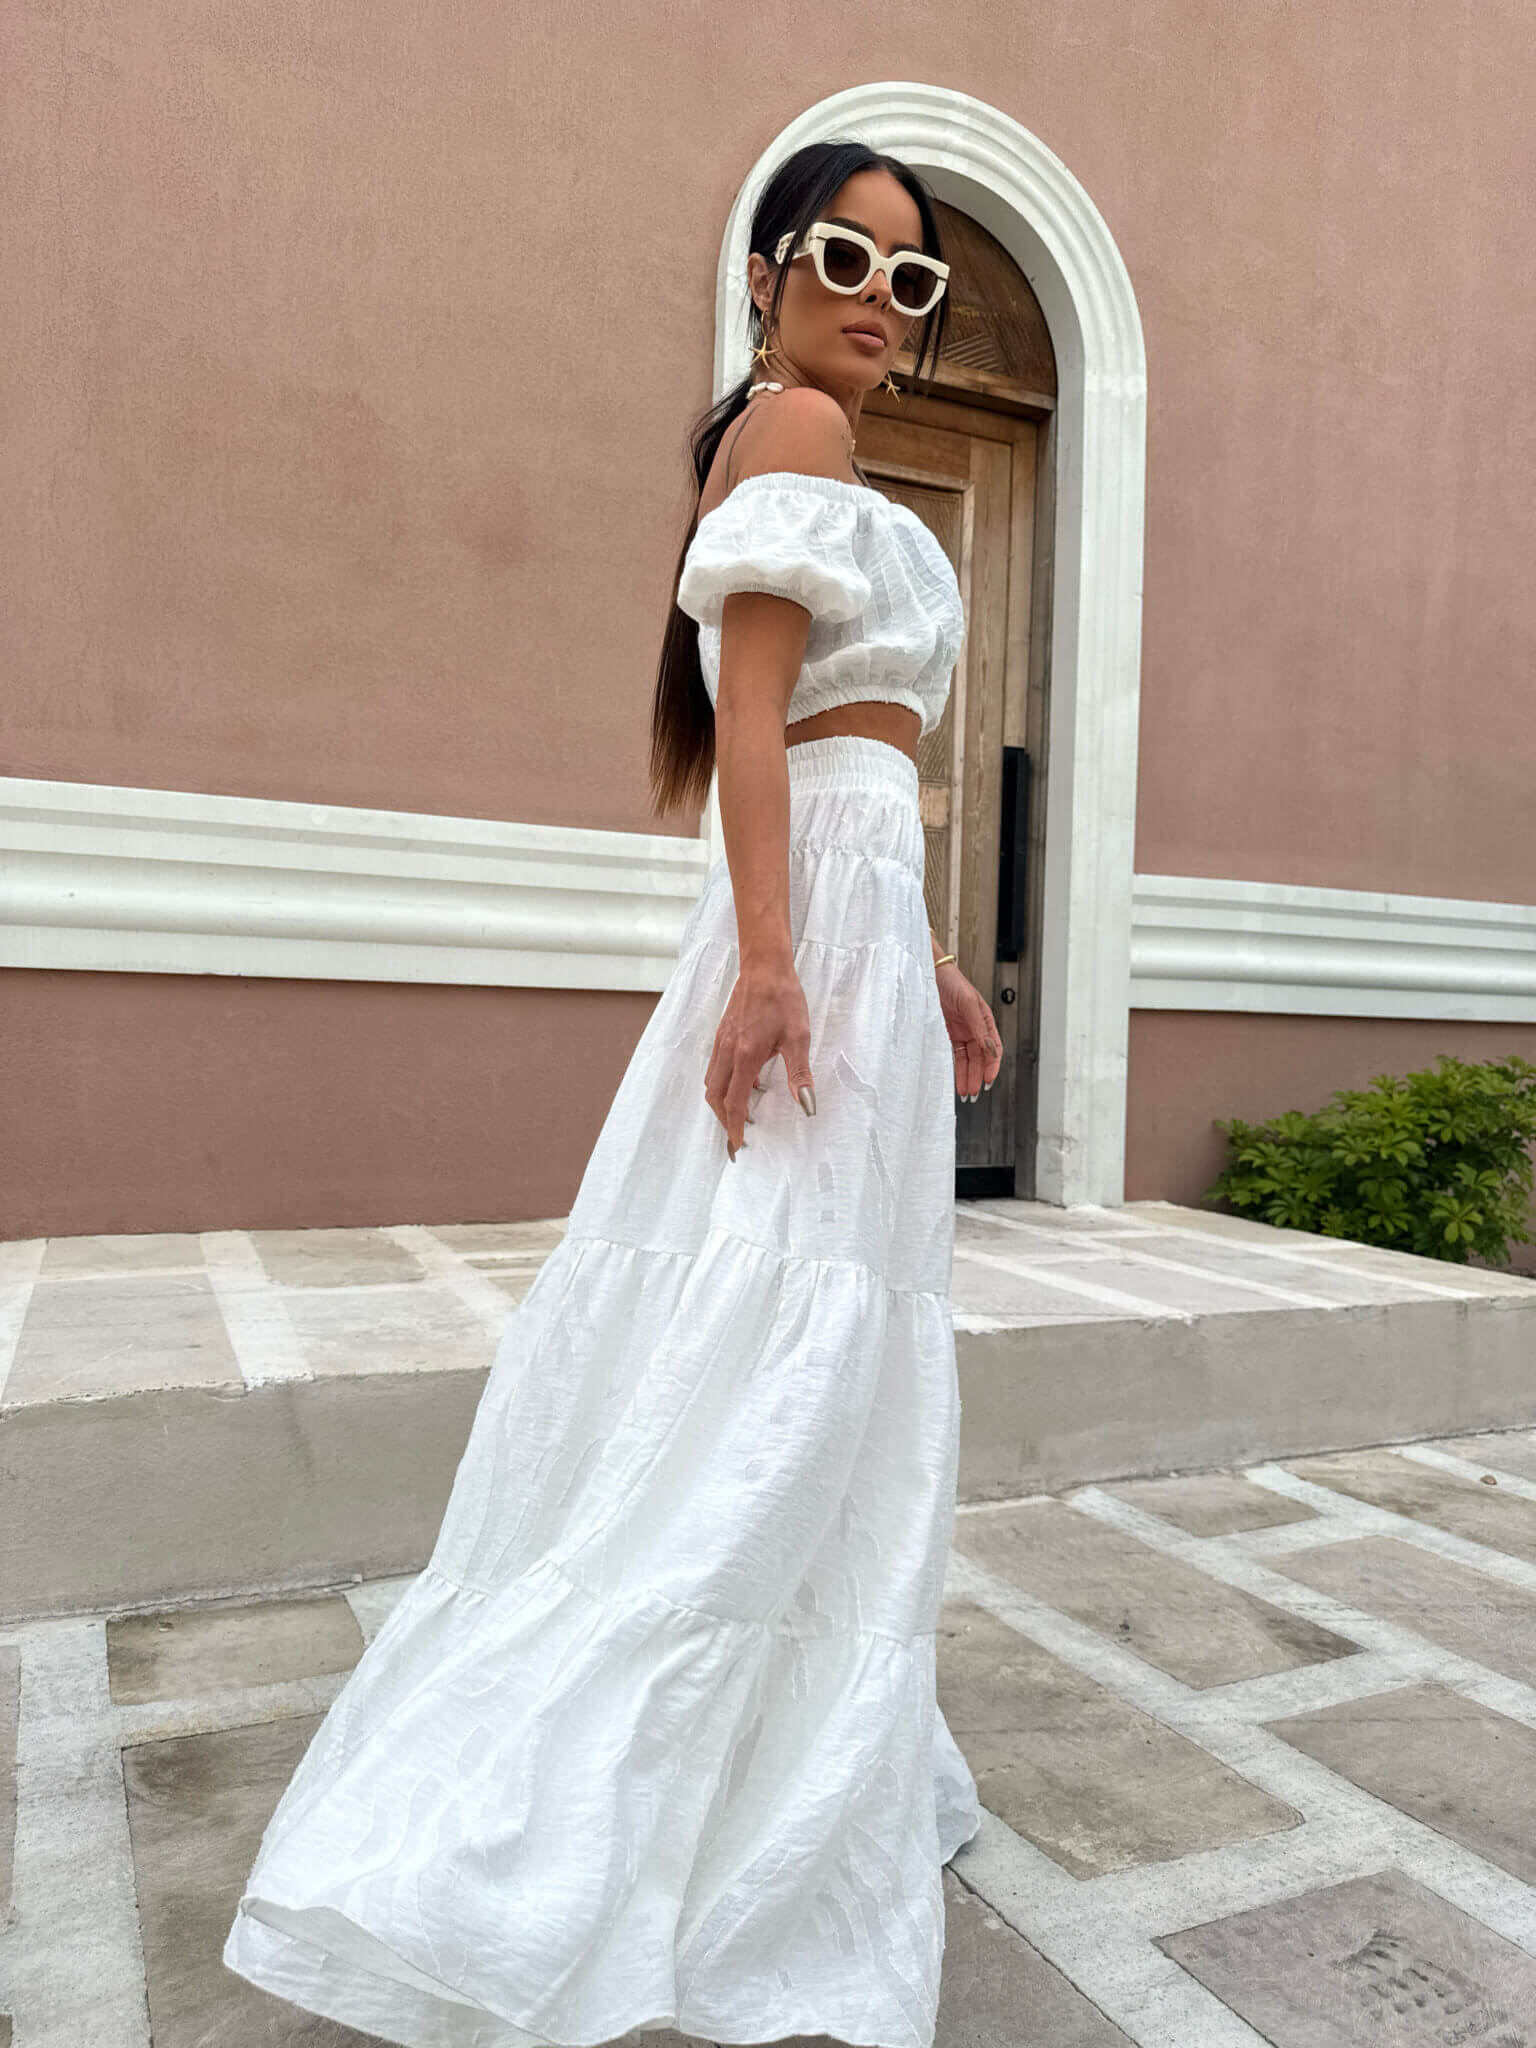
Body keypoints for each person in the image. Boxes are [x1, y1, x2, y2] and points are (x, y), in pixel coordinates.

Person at [222, 137, 1001, 2048]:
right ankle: (663, 1776)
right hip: (809, 929)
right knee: (783, 1325)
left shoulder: (814, 447)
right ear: (764, 272)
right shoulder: (792, 433)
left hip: (853, 920)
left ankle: (773, 1748)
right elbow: (756, 727)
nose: (877, 302)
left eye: (912, 281)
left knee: (808, 1327)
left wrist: (916, 956)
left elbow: (855, 759)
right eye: (844, 258)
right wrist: (773, 960)